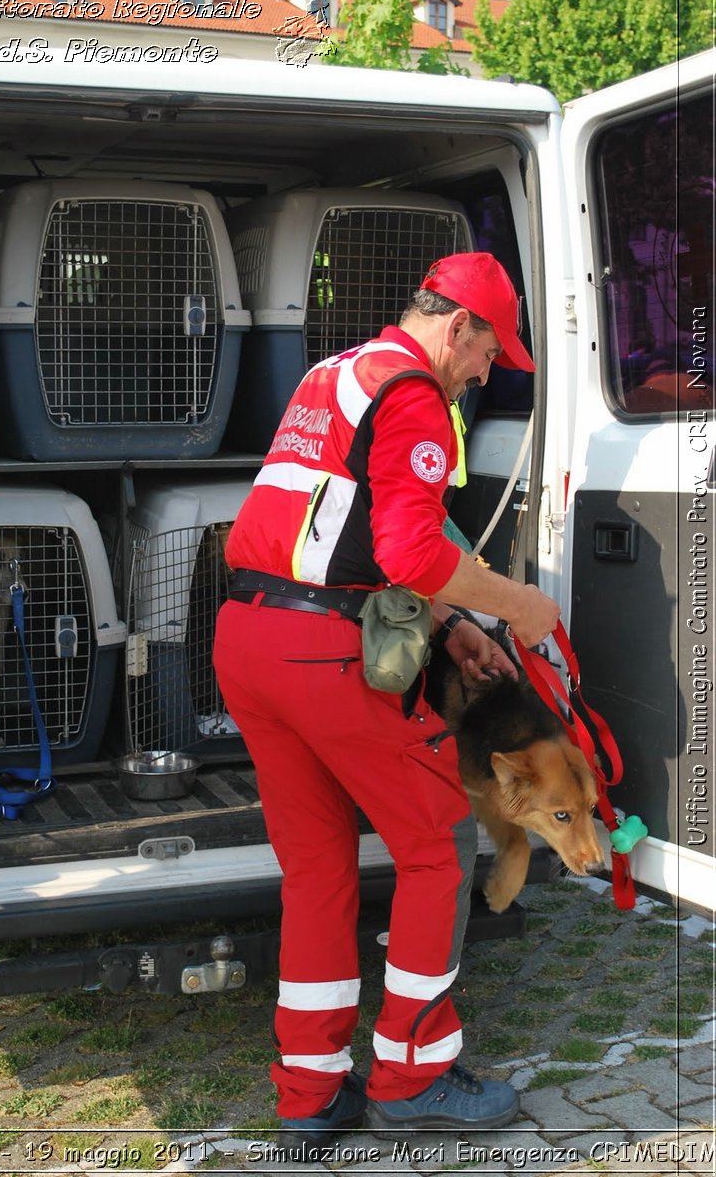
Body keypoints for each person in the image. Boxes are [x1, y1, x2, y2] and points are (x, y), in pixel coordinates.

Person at [213, 252, 560, 1150]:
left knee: (319, 871)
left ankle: (311, 1098)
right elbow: (406, 555)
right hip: (323, 657)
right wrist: (517, 608)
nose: (488, 371)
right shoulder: (415, 396)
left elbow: (337, 533)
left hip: (249, 641)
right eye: (490, 352)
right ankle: (414, 1079)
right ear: (457, 327)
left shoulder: (338, 373)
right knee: (436, 847)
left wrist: (448, 631)